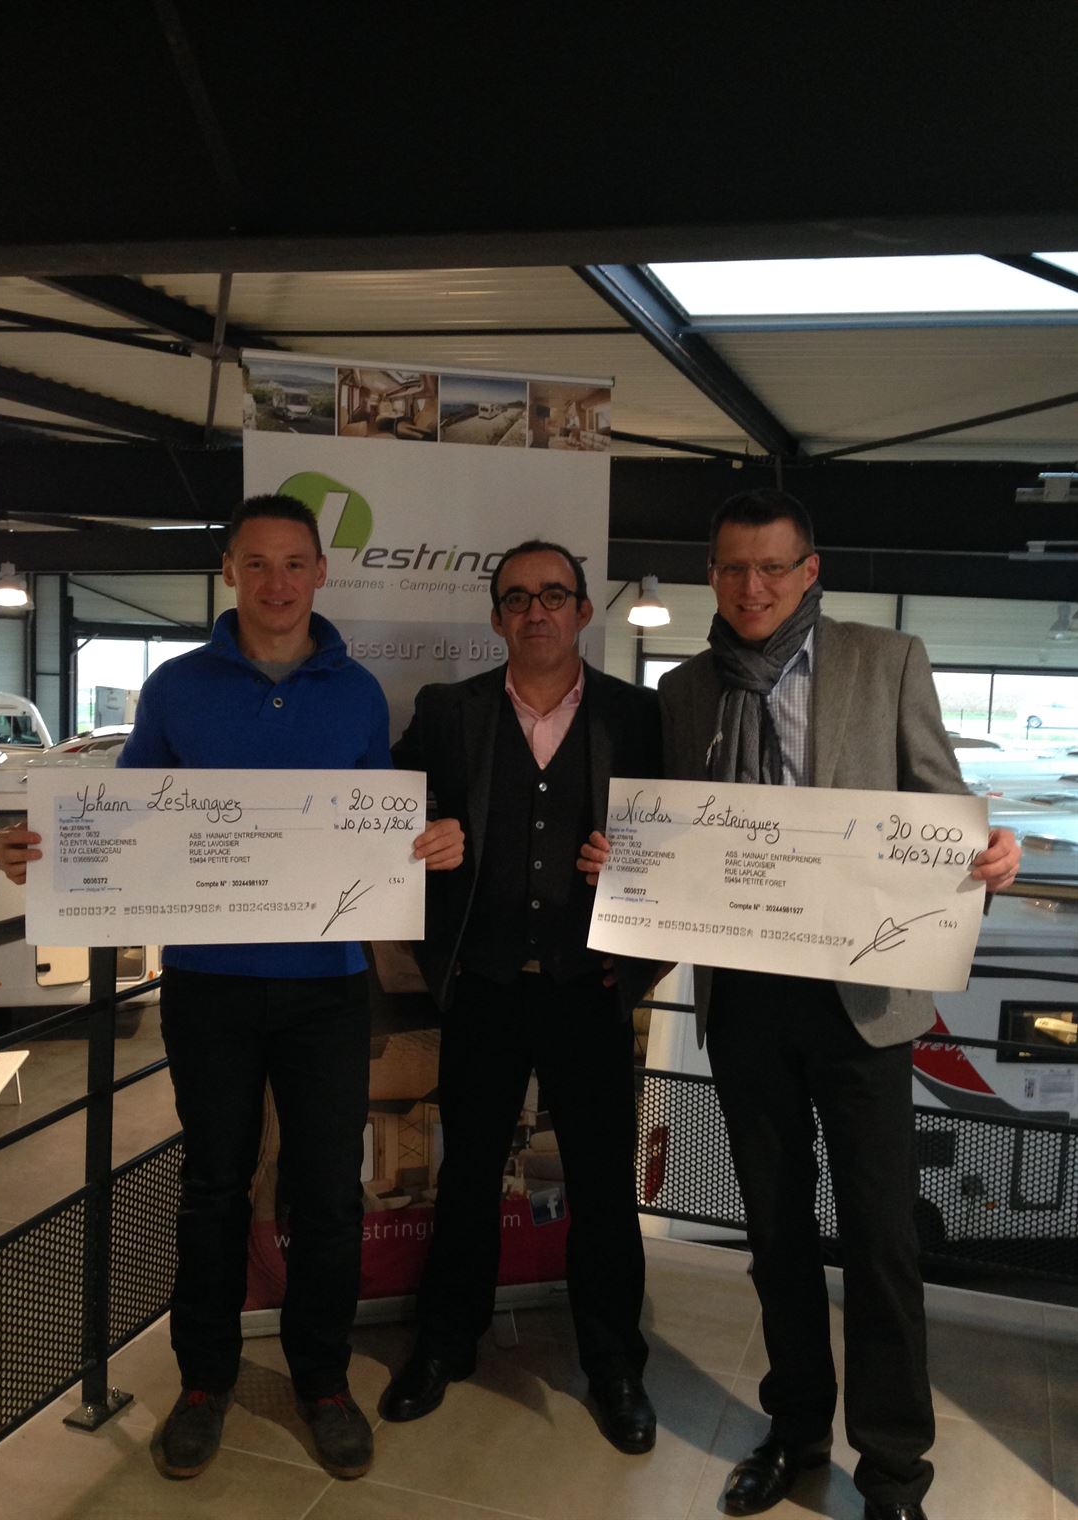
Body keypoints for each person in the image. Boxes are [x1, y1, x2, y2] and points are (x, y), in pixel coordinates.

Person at [0, 494, 463, 1483]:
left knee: (328, 1193)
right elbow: (122, 821)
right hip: (209, 985)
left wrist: (423, 845)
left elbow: (375, 823)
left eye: (294, 563)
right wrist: (42, 851)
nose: (277, 583)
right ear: (229, 573)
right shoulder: (176, 688)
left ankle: (322, 1379)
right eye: (257, 564)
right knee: (212, 1188)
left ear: (320, 572)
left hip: (329, 986)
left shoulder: (358, 694)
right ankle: (203, 1380)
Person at [580, 489, 1020, 1520]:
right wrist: (624, 861)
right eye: (734, 568)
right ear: (713, 575)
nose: (753, 587)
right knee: (774, 1231)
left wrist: (987, 856)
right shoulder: (685, 688)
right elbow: (675, 833)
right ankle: (795, 1431)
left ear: (809, 571)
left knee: (880, 1240)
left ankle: (895, 1471)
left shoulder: (886, 660)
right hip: (743, 999)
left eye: (773, 567)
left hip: (862, 1000)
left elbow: (939, 801)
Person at [379, 539, 663, 1454]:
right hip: (486, 986)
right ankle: (444, 1342)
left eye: (553, 595)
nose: (535, 611)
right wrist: (425, 829)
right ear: (495, 615)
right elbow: (383, 808)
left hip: (590, 988)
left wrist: (640, 869)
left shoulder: (638, 715)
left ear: (583, 609)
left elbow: (684, 842)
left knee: (604, 1185)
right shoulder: (447, 710)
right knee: (466, 1175)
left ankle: (614, 1364)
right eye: (516, 598)